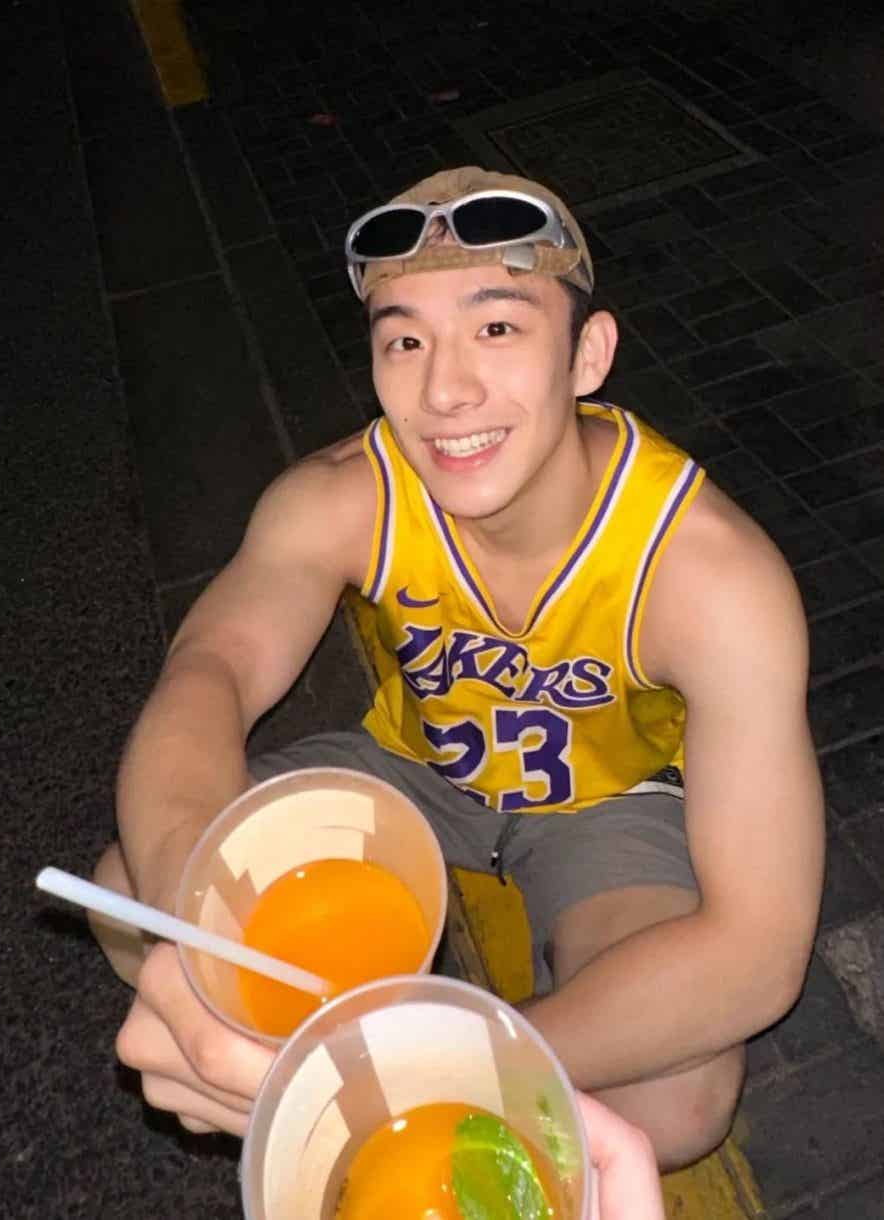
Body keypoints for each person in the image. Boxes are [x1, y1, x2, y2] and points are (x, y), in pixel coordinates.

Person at [92, 166, 824, 1172]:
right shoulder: (343, 497)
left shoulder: (710, 574)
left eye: (497, 328)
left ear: (587, 354)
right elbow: (209, 668)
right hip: (418, 767)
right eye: (405, 341)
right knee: (128, 890)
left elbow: (758, 952)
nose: (444, 391)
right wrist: (210, 925)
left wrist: (437, 1058)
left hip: (603, 800)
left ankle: (403, 1077)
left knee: (678, 1101)